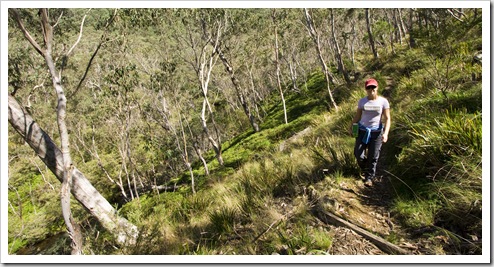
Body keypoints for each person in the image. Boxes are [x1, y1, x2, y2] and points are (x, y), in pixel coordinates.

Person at [349, 78, 391, 187]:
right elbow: (357, 116)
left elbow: (387, 118)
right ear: (365, 89)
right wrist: (351, 127)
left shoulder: (383, 102)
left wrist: (385, 133)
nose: (371, 89)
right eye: (368, 87)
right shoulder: (362, 101)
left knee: (373, 156)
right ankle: (365, 168)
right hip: (362, 131)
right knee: (358, 154)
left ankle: (369, 177)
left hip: (376, 133)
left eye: (373, 87)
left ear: (377, 88)